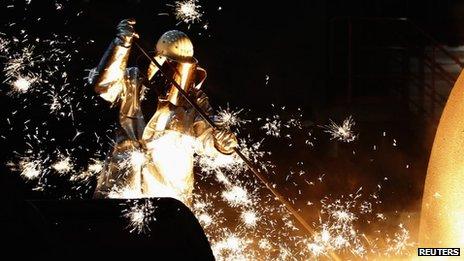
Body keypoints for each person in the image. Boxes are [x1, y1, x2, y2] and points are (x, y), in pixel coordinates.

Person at [90, 19, 237, 205]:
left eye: (178, 68)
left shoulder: (194, 101)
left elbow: (206, 138)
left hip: (167, 197)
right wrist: (121, 44)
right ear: (157, 60)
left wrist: (221, 145)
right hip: (121, 189)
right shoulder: (131, 80)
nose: (172, 72)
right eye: (169, 65)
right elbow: (103, 86)